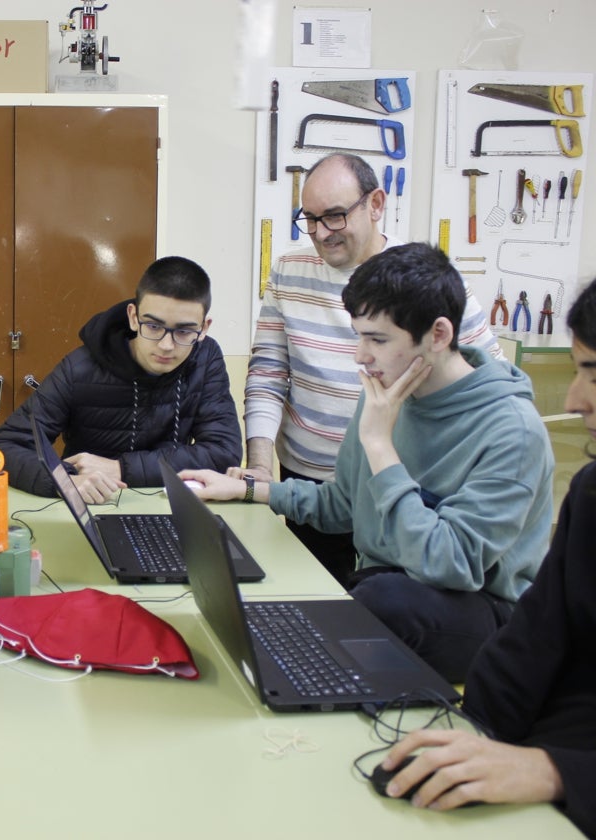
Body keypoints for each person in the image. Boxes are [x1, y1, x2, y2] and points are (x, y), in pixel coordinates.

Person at [185, 243, 552, 682]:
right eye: (358, 335)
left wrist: (381, 445)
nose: (360, 355)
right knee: (306, 610)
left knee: (383, 599)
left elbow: (451, 563)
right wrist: (249, 488)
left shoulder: (513, 430)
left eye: (377, 339)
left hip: (485, 612)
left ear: (438, 335)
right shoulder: (387, 391)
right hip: (384, 588)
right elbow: (344, 505)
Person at [375, 278, 596, 836]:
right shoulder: (592, 492)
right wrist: (468, 732)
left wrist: (554, 771)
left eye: (594, 373)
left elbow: (450, 560)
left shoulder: (512, 430)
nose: (573, 400)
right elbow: (536, 634)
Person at [244, 153, 505, 584]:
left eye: (334, 216)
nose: (320, 233)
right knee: (315, 605)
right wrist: (257, 469)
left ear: (376, 204)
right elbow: (268, 373)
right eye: (309, 219)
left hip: (398, 486)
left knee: (386, 610)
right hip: (306, 485)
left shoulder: (423, 279)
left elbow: (485, 376)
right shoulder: (288, 271)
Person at [0, 256, 242, 503]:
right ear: (133, 316)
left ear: (204, 328)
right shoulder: (80, 367)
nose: (167, 345)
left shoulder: (205, 357)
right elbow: (6, 446)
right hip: (93, 506)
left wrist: (121, 468)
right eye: (153, 327)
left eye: (184, 331)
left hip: (172, 508)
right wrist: (64, 481)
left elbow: (223, 452)